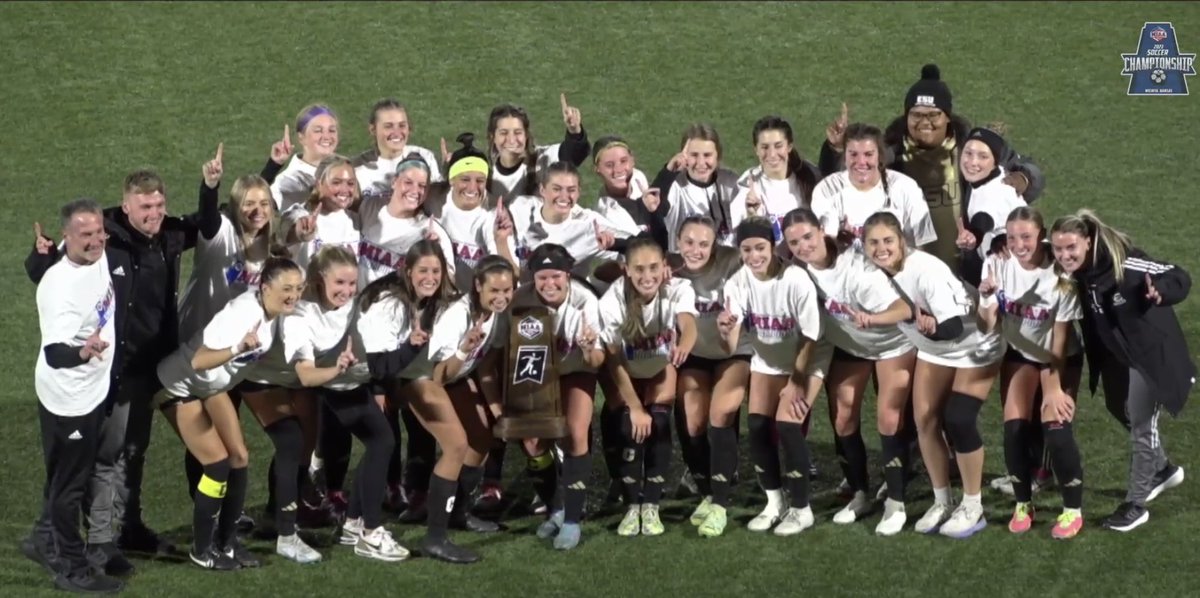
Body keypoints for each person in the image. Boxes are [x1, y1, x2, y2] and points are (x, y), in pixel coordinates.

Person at [25, 168, 221, 571]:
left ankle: (125, 527)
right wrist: (39, 256)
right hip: (108, 369)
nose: (153, 212)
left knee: (131, 452)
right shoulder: (104, 234)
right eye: (145, 205)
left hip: (148, 366)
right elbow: (50, 274)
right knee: (101, 456)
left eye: (159, 204)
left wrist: (211, 188)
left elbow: (209, 223)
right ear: (126, 204)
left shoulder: (170, 233)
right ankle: (91, 540)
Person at [154, 257, 304, 570]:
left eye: (298, 288)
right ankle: (202, 548)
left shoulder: (272, 312)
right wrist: (237, 348)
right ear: (265, 288)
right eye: (286, 288)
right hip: (179, 385)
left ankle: (228, 543)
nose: (293, 294)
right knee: (216, 464)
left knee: (239, 457)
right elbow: (199, 360)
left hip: (208, 387)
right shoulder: (242, 314)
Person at [819, 66, 1045, 274]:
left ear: (947, 116)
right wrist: (836, 149)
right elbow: (842, 182)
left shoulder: (972, 149)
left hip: (969, 271)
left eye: (933, 114)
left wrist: (1024, 178)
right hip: (908, 272)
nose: (924, 121)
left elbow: (1029, 169)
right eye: (916, 114)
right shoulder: (891, 153)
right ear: (906, 116)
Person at [862, 211, 1004, 538]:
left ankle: (973, 505)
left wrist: (930, 328)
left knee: (959, 418)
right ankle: (942, 500)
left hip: (972, 345)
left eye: (888, 241)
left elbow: (953, 327)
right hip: (933, 345)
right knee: (924, 420)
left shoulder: (926, 271)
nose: (881, 248)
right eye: (873, 242)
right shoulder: (872, 271)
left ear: (902, 241)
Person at [1051, 209, 1191, 532]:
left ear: (1087, 241)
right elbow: (1031, 248)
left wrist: (1162, 291)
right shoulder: (1073, 270)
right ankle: (1162, 470)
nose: (1064, 255)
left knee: (1142, 426)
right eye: (1058, 249)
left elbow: (1178, 274)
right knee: (1119, 408)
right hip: (1117, 359)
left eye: (1071, 247)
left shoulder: (1124, 265)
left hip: (1147, 357)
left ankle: (1136, 503)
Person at [781, 208, 916, 536]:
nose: (803, 246)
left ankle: (896, 503)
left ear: (820, 231)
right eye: (794, 242)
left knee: (888, 416)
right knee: (842, 417)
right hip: (850, 346)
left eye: (808, 237)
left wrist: (871, 320)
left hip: (892, 343)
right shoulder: (799, 268)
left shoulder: (858, 272)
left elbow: (903, 309)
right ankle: (860, 493)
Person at [976, 207, 1086, 539]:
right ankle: (1023, 503)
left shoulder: (1061, 275)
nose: (1019, 244)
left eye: (1026, 236)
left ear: (1041, 237)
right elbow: (985, 326)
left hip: (1059, 357)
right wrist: (984, 299)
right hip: (1019, 355)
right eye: (1012, 237)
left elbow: (1060, 338)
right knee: (1014, 430)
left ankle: (1072, 510)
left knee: (1056, 427)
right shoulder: (996, 263)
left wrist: (1052, 388)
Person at [31, 198, 123, 593]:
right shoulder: (59, 286)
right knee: (70, 486)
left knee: (67, 475)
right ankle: (71, 567)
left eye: (99, 231)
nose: (96, 240)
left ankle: (41, 537)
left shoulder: (97, 254)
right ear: (65, 238)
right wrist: (82, 352)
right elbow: (54, 354)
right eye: (84, 235)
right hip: (69, 400)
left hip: (92, 389)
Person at [718, 218, 824, 536]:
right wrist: (724, 330)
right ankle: (774, 502)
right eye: (747, 250)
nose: (754, 256)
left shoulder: (796, 280)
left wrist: (797, 379)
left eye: (760, 248)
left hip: (808, 359)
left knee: (789, 426)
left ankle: (801, 509)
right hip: (766, 360)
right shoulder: (737, 282)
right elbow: (731, 344)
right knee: (758, 426)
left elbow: (810, 336)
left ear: (773, 245)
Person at [600, 236, 698, 538]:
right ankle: (630, 503)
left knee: (657, 423)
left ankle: (651, 505)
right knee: (628, 425)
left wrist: (684, 344)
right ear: (625, 270)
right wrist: (634, 406)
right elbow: (613, 361)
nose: (647, 276)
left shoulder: (677, 288)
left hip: (657, 367)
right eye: (639, 269)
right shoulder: (611, 301)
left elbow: (688, 323)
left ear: (665, 266)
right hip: (624, 371)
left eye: (654, 267)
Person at [513, 244, 606, 550]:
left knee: (576, 432)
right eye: (542, 277)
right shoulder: (520, 299)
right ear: (532, 278)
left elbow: (596, 362)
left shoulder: (585, 301)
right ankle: (556, 510)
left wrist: (589, 347)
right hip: (538, 373)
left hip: (577, 368)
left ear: (568, 275)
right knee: (532, 442)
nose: (549, 284)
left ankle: (573, 520)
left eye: (556, 276)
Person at [669, 216, 750, 537]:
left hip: (735, 350)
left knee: (721, 413)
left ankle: (720, 502)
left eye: (704, 244)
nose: (696, 250)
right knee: (692, 421)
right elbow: (611, 270)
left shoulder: (732, 260)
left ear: (715, 244)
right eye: (689, 242)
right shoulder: (667, 269)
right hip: (696, 354)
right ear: (677, 242)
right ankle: (705, 486)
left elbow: (768, 256)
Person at [509, 161, 639, 291]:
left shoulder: (589, 225)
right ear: (542, 190)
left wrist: (615, 243)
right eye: (556, 189)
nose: (564, 196)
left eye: (571, 190)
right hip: (523, 293)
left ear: (578, 192)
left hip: (569, 300)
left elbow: (639, 245)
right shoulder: (521, 208)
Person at [810, 123, 935, 254]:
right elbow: (824, 248)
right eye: (853, 154)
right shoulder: (827, 189)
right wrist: (839, 241)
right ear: (844, 157)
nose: (861, 162)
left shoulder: (906, 187)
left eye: (868, 154)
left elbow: (922, 244)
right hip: (846, 271)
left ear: (879, 156)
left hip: (896, 270)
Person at [424, 132, 519, 291]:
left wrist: (501, 241)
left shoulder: (493, 215)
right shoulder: (434, 197)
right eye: (465, 179)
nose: (472, 188)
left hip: (480, 299)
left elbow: (512, 276)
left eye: (480, 181)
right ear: (452, 180)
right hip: (441, 293)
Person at [357, 155, 456, 288]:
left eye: (422, 186)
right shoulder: (370, 207)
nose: (415, 191)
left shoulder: (432, 233)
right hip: (358, 303)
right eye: (408, 182)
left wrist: (436, 257)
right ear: (394, 182)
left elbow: (449, 287)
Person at [954, 127, 1029, 286]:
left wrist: (973, 235)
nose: (973, 162)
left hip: (1020, 281)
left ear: (995, 162)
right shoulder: (998, 174)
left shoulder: (996, 194)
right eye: (968, 153)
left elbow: (984, 218)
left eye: (983, 157)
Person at [649, 123, 741, 250]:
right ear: (684, 155)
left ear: (717, 156)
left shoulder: (731, 182)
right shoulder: (674, 186)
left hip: (727, 265)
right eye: (694, 155)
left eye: (707, 155)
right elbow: (653, 205)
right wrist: (669, 171)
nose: (701, 163)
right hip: (686, 265)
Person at [728, 116, 821, 240]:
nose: (772, 154)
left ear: (789, 147)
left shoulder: (809, 177)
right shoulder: (748, 187)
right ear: (756, 149)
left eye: (778, 146)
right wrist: (751, 217)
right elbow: (739, 241)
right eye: (765, 147)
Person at [486, 96, 590, 202]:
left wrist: (574, 130)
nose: (511, 139)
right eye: (504, 133)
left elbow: (575, 152)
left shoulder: (543, 159)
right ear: (492, 137)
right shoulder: (485, 174)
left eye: (518, 132)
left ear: (526, 135)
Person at [353, 98, 443, 205]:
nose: (397, 132)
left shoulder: (424, 157)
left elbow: (439, 201)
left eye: (402, 125)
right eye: (388, 126)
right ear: (373, 130)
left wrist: (451, 175)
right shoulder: (357, 168)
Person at [281, 154, 363, 271]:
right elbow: (289, 228)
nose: (345, 190)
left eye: (350, 183)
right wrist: (302, 232)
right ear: (318, 184)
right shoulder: (300, 212)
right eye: (336, 182)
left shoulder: (356, 220)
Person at [591, 135, 665, 249]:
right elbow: (646, 244)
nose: (618, 170)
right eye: (609, 165)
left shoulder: (637, 177)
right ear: (597, 169)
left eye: (623, 161)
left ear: (632, 160)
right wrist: (667, 174)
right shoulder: (606, 214)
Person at [272, 104, 341, 212]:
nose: (327, 136)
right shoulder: (287, 182)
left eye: (332, 130)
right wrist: (273, 165)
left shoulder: (348, 172)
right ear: (301, 137)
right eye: (318, 131)